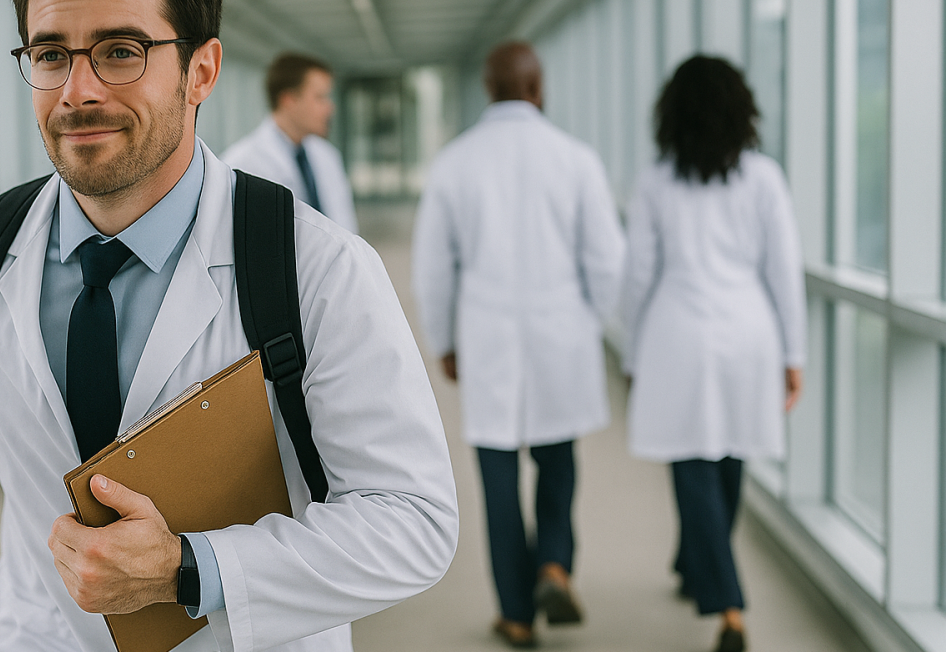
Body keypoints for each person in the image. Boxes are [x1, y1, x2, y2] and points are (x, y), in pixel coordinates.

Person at [0, 0, 459, 650]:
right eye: (51, 54)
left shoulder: (315, 267)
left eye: (121, 51)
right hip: (38, 632)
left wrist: (193, 569)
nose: (78, 91)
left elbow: (413, 520)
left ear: (202, 69)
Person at [411, 41, 624, 648]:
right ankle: (555, 563)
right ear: (538, 88)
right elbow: (607, 261)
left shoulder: (456, 162)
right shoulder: (577, 159)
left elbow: (434, 268)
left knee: (499, 479)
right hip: (563, 337)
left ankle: (517, 613)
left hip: (490, 338)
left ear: (489, 88)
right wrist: (591, 323)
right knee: (558, 462)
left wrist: (446, 339)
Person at [619, 55, 806, 652]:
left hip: (678, 333)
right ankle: (696, 566)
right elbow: (784, 274)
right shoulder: (764, 178)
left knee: (691, 463)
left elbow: (640, 274)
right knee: (728, 457)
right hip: (749, 334)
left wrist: (630, 344)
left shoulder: (654, 181)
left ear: (671, 114)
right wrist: (793, 353)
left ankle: (727, 607)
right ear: (741, 108)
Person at [221, 52, 358, 233]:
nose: (330, 107)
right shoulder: (239, 164)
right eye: (320, 97)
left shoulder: (327, 155)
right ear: (289, 100)